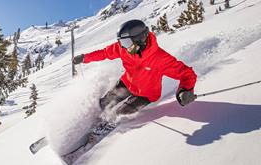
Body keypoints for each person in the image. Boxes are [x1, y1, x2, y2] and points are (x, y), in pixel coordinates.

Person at [63, 19, 198, 164]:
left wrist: (185, 90)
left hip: (146, 94)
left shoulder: (159, 58)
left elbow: (186, 74)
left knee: (117, 114)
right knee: (104, 103)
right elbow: (105, 53)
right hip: (127, 83)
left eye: (127, 43)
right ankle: (93, 122)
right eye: (122, 43)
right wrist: (85, 58)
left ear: (141, 39)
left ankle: (92, 142)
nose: (124, 48)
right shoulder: (125, 49)